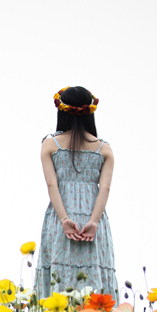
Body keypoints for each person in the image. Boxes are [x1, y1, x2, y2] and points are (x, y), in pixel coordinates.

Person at [36, 86, 119, 300]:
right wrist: (94, 221)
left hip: (60, 218)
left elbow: (52, 185)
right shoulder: (104, 149)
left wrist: (64, 218)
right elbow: (105, 188)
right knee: (96, 279)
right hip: (94, 219)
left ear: (61, 111)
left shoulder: (50, 144)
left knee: (58, 279)